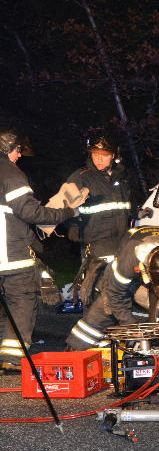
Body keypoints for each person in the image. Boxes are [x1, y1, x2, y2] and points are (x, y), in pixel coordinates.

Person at [0, 130, 78, 372]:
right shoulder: (11, 174)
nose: (19, 156)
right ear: (10, 149)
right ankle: (12, 358)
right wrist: (67, 213)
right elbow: (31, 212)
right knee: (21, 300)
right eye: (17, 151)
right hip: (10, 255)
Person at [65, 225, 159, 354]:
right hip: (132, 260)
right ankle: (75, 350)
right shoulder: (129, 260)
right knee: (104, 307)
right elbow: (116, 295)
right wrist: (132, 328)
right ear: (148, 274)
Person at [65, 135, 132, 306]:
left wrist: (138, 213)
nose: (99, 159)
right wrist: (72, 226)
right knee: (95, 297)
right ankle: (93, 330)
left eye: (104, 155)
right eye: (95, 154)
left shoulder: (122, 179)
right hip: (95, 247)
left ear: (115, 156)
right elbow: (63, 207)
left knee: (117, 296)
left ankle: (113, 331)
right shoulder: (81, 177)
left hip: (120, 245)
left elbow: (125, 208)